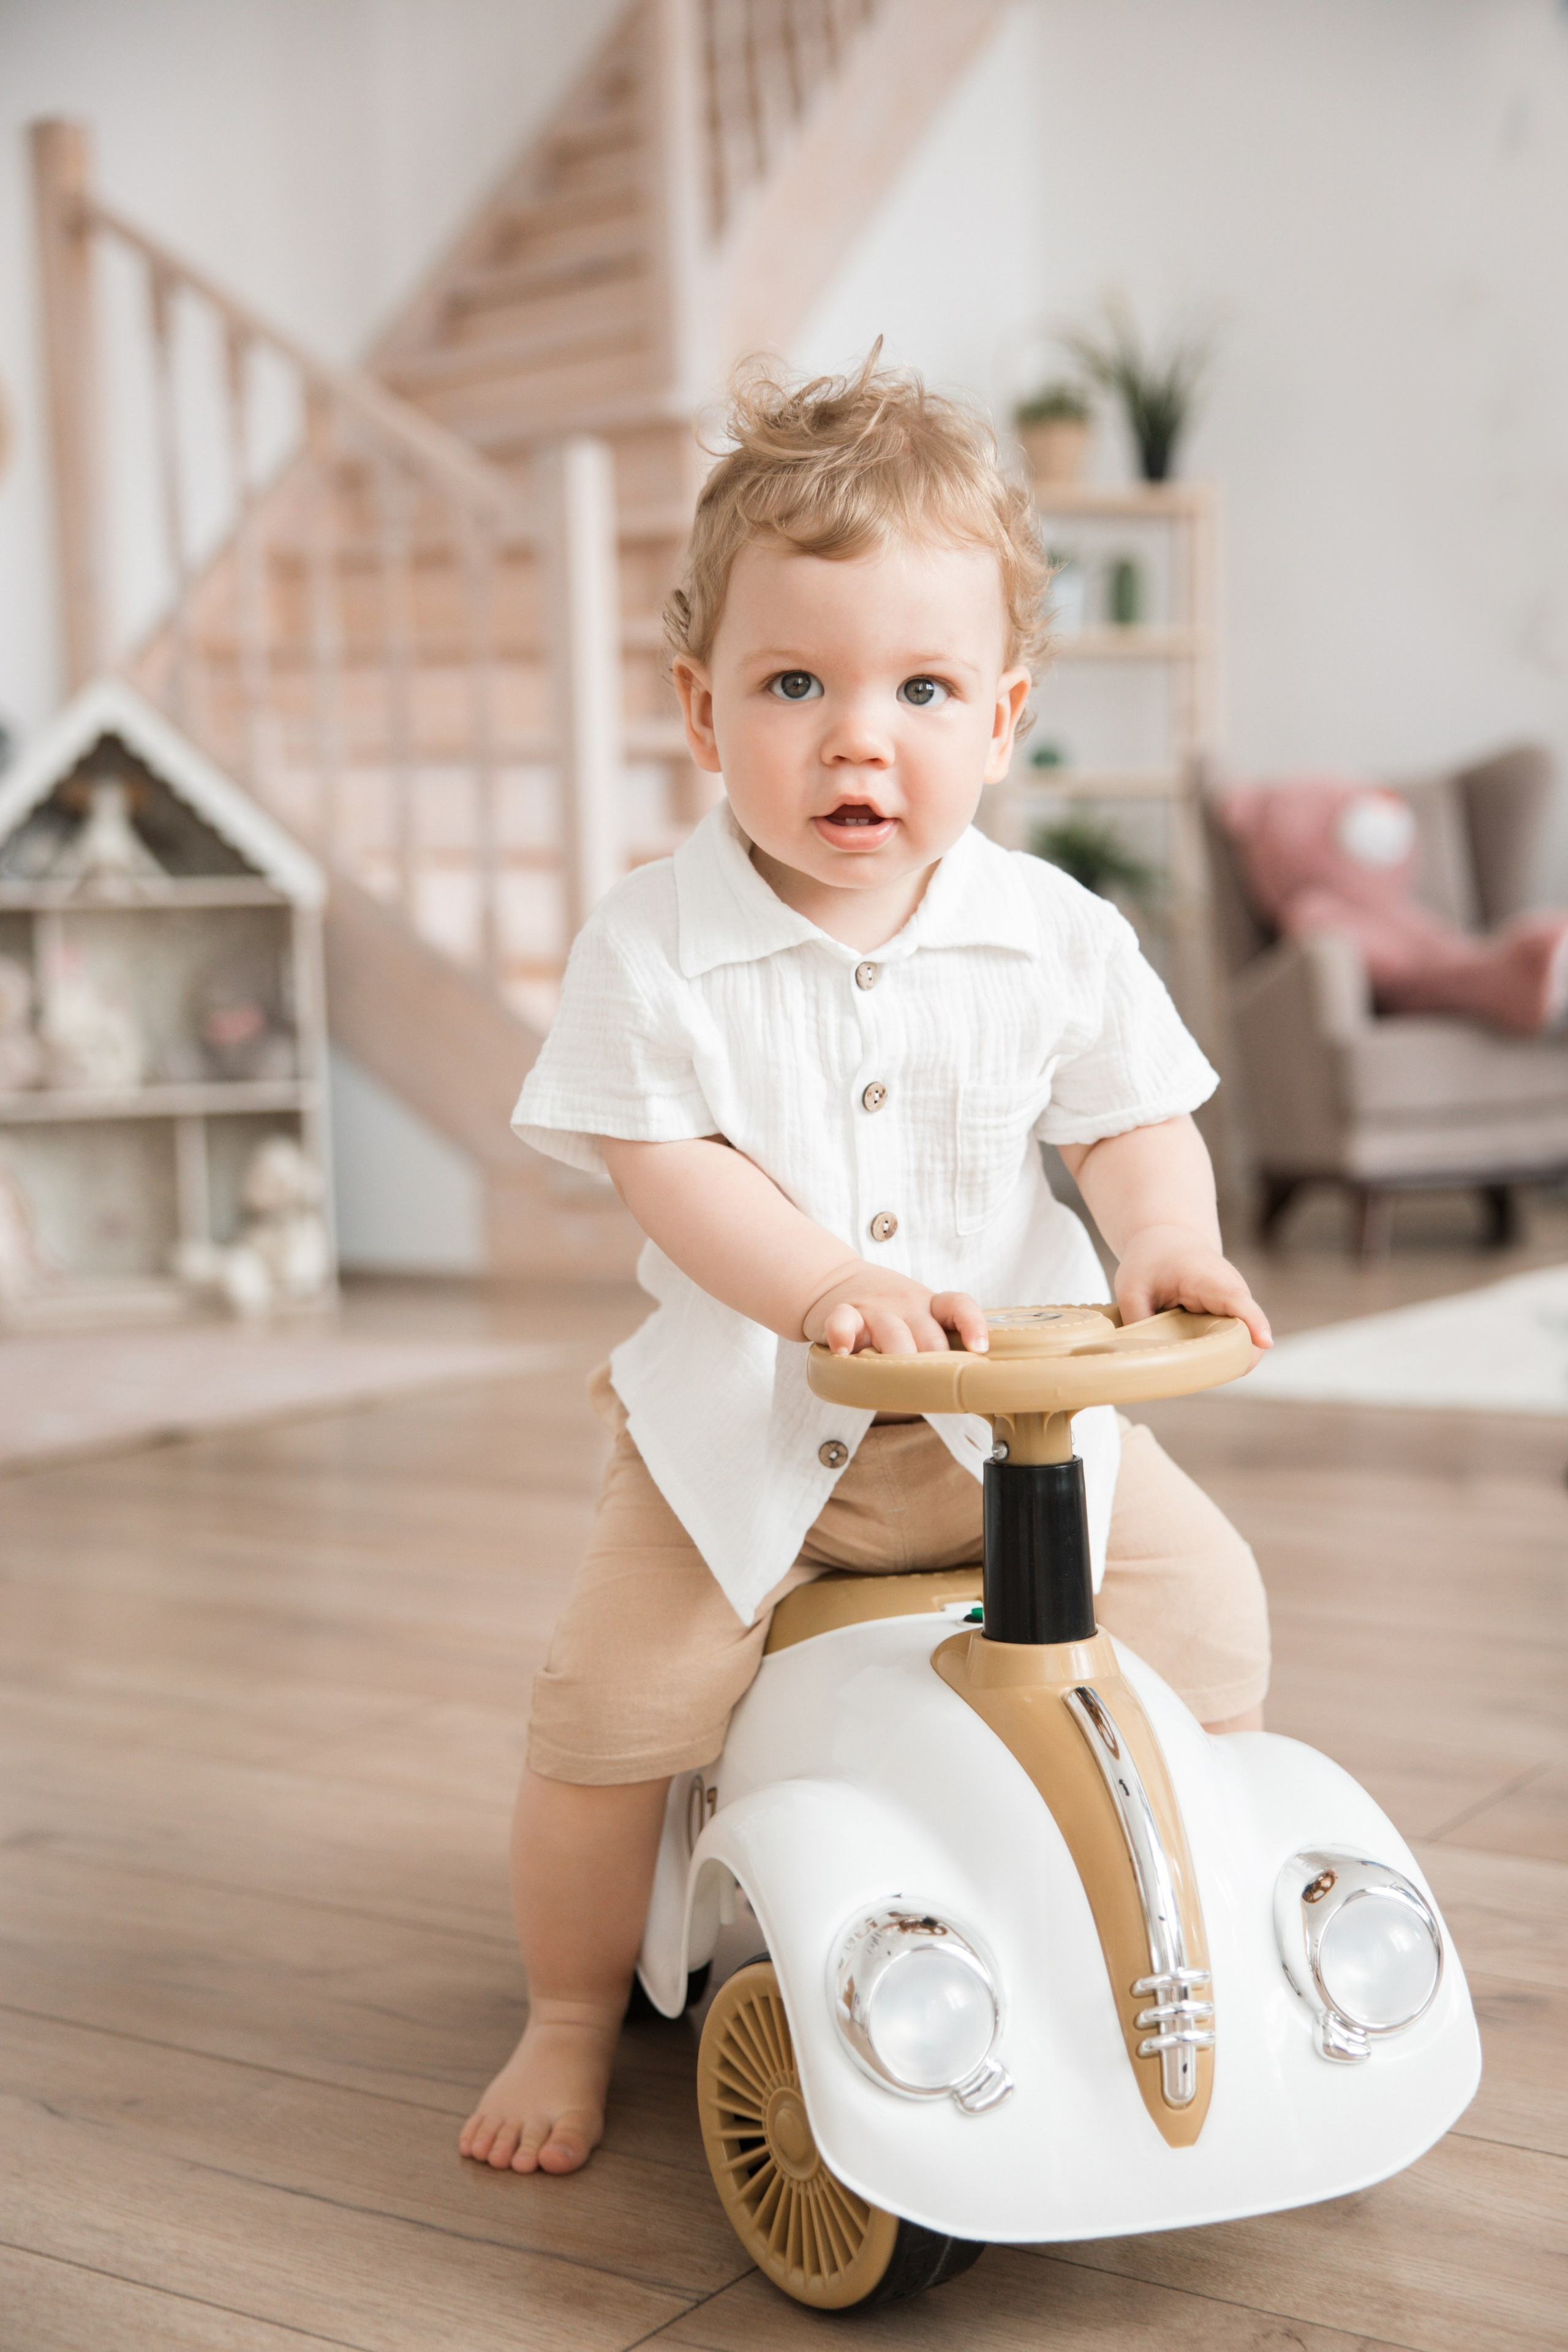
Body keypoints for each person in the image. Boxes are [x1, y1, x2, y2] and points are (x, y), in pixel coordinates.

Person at [459, 352, 1273, 2180]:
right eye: (795, 685)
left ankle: (1179, 1902)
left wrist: (1166, 1237)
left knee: (1213, 1614)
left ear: (1003, 717)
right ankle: (570, 2009)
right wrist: (826, 1284)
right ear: (701, 709)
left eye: (920, 690)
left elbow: (1133, 1120)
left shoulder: (1055, 932)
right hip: (753, 1445)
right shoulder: (652, 945)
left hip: (1021, 1437)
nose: (857, 740)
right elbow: (666, 1167)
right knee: (612, 1709)